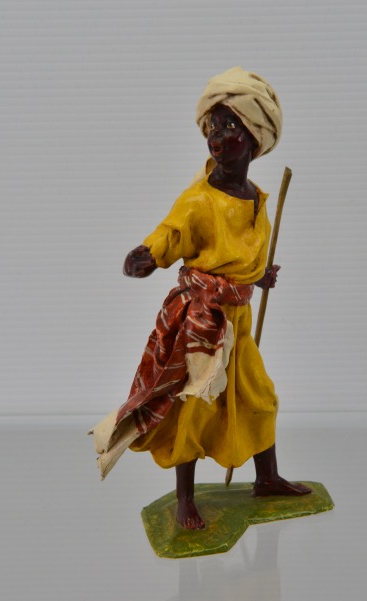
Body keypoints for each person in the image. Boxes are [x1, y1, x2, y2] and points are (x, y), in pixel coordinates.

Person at [91, 67, 310, 530]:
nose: (217, 137)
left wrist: (259, 278)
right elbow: (170, 235)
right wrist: (146, 255)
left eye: (230, 126)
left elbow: (241, 259)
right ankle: (185, 498)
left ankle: (266, 477)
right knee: (193, 403)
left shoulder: (256, 200)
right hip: (203, 322)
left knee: (261, 398)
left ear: (253, 139)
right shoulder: (198, 200)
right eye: (213, 126)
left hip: (239, 322)